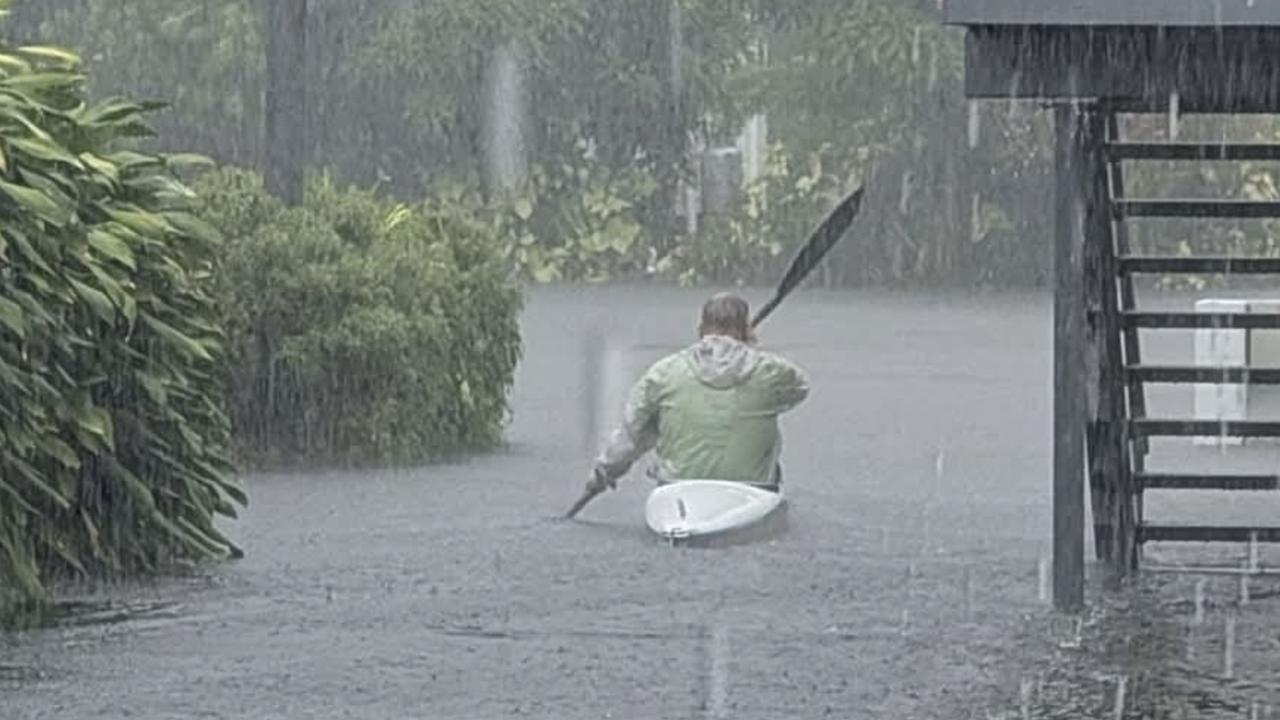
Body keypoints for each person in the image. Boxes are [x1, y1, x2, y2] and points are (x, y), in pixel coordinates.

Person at [584, 292, 809, 497]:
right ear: (747, 332)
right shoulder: (773, 373)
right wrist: (751, 350)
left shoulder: (663, 373)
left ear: (701, 330)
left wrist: (603, 473)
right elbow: (799, 390)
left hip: (676, 488)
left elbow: (631, 436)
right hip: (752, 490)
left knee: (654, 426)